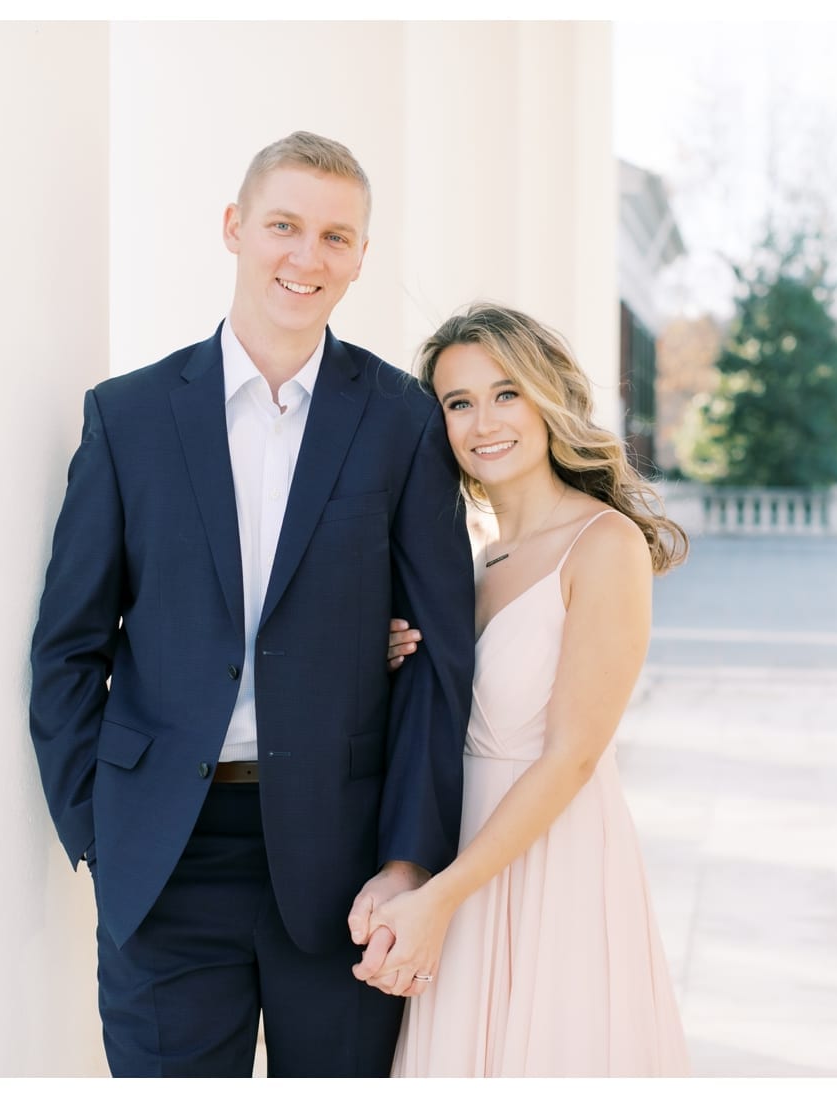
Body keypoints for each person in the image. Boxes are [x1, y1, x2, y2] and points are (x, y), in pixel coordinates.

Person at [28, 132, 475, 1077]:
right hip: (163, 858)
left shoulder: (402, 422)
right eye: (284, 225)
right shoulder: (130, 417)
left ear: (361, 258)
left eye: (335, 237)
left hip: (345, 865)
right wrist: (101, 828)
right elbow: (69, 644)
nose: (306, 258)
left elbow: (440, 656)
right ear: (235, 228)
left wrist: (406, 860)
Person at [350, 303, 692, 1076]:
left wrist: (441, 899)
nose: (483, 421)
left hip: (550, 862)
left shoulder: (601, 545)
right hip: (460, 854)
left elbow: (571, 758)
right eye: (458, 402)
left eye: (507, 392)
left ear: (550, 398)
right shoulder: (473, 560)